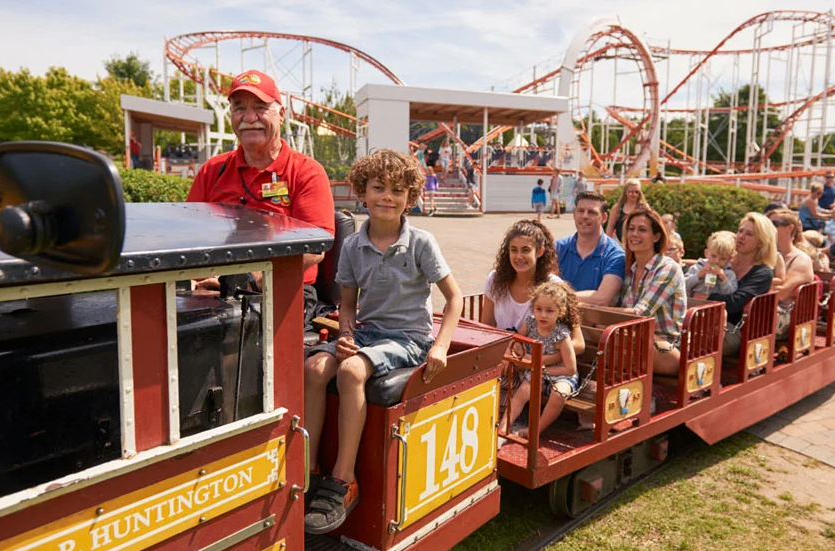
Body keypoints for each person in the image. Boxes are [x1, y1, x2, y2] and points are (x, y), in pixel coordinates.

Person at [302, 149, 462, 534]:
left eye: (397, 190)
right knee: (314, 367)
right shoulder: (354, 247)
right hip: (368, 334)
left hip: (408, 339)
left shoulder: (421, 242)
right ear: (362, 192)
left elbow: (454, 298)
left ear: (410, 198)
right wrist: (346, 334)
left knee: (353, 372)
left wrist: (439, 346)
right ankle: (307, 470)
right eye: (378, 188)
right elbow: (347, 302)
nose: (387, 197)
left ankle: (343, 480)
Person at [186, 70, 335, 328]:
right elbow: (186, 232)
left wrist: (249, 280)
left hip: (283, 290)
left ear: (281, 114)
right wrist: (191, 277)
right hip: (214, 288)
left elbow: (315, 248)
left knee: (224, 332)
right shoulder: (213, 170)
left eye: (260, 107)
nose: (249, 117)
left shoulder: (305, 172)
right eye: (239, 107)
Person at [499, 281, 579, 437]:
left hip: (559, 374)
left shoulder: (561, 336)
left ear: (560, 312)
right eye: (538, 309)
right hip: (535, 372)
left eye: (549, 311)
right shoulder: (530, 323)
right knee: (523, 391)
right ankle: (504, 427)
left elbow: (570, 369)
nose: (543, 315)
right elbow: (517, 340)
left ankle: (535, 430)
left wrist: (542, 369)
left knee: (559, 394)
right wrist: (518, 347)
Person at [614, 208, 687, 376]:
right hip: (633, 338)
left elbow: (641, 313)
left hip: (666, 347)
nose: (634, 234)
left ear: (657, 236)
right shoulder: (629, 269)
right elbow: (611, 302)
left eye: (642, 230)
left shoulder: (668, 268)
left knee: (612, 334)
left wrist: (596, 312)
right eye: (631, 229)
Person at [714, 213, 778, 356]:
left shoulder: (763, 273)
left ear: (761, 242)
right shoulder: (723, 260)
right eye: (740, 231)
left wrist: (704, 297)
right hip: (706, 319)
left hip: (733, 330)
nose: (741, 236)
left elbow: (734, 304)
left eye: (749, 234)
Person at [556, 191, 626, 306]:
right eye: (581, 211)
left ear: (604, 218)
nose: (585, 216)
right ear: (574, 214)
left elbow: (603, 298)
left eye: (592, 212)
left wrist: (556, 296)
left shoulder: (615, 255)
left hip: (592, 322)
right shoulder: (558, 247)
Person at [767, 209, 816, 338]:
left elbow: (781, 293)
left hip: (784, 317)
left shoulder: (801, 259)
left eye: (774, 224)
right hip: (764, 307)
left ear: (790, 228)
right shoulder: (763, 254)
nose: (768, 228)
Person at [685, 231, 737, 297]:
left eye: (723, 259)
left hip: (715, 305)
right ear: (706, 253)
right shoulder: (697, 267)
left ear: (729, 259)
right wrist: (699, 275)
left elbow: (731, 293)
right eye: (713, 256)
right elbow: (683, 285)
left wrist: (723, 279)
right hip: (694, 304)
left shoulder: (729, 273)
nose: (717, 261)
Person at [606, 178, 649, 242]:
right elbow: (610, 226)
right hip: (619, 243)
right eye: (630, 192)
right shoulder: (617, 208)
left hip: (638, 242)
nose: (633, 194)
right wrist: (607, 242)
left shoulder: (644, 207)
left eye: (636, 192)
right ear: (625, 192)